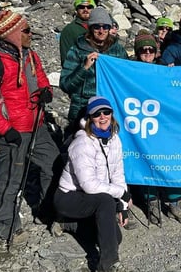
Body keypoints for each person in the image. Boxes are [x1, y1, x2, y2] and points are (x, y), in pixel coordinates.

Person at [0, 10, 59, 240]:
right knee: (12, 177)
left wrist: (46, 93)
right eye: (26, 30)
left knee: (54, 164)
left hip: (37, 124)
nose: (31, 34)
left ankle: (46, 209)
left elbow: (41, 79)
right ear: (12, 34)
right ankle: (6, 224)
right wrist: (5, 129)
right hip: (14, 131)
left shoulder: (31, 55)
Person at [54, 96, 131, 272]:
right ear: (90, 118)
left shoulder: (114, 139)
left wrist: (123, 206)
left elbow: (118, 173)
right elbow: (89, 185)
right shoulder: (82, 143)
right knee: (105, 201)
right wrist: (121, 194)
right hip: (68, 197)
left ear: (112, 115)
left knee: (114, 237)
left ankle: (68, 224)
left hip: (92, 196)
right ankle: (107, 264)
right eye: (97, 114)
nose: (102, 117)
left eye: (106, 112)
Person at [133, 31, 181, 225]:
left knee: (172, 160)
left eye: (151, 49)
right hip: (143, 123)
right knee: (145, 162)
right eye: (143, 50)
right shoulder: (129, 70)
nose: (148, 52)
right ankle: (151, 202)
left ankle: (174, 201)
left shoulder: (164, 69)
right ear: (137, 52)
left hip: (165, 125)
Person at [60, 7, 128, 130]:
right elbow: (65, 85)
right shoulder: (77, 49)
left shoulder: (118, 51)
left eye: (105, 27)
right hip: (82, 110)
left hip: (109, 111)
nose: (101, 31)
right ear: (90, 28)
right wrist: (84, 68)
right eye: (97, 27)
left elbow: (127, 79)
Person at [60, 0, 95, 67]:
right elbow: (66, 59)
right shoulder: (69, 30)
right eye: (82, 7)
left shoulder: (100, 27)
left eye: (89, 7)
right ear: (76, 9)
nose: (85, 9)